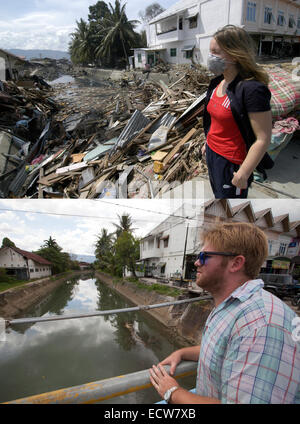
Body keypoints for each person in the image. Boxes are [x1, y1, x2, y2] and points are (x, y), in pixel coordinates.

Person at [149, 222, 300, 404]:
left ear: (236, 263)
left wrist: (172, 392)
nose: (197, 262)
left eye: (204, 256)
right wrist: (182, 353)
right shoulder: (232, 306)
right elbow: (222, 349)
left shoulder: (261, 325)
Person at [202, 25, 272, 198]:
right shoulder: (217, 82)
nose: (211, 57)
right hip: (213, 154)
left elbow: (263, 138)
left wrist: (244, 172)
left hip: (232, 163)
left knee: (233, 213)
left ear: (235, 54)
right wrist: (207, 142)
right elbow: (214, 120)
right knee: (220, 200)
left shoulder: (252, 90)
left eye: (216, 52)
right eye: (210, 52)